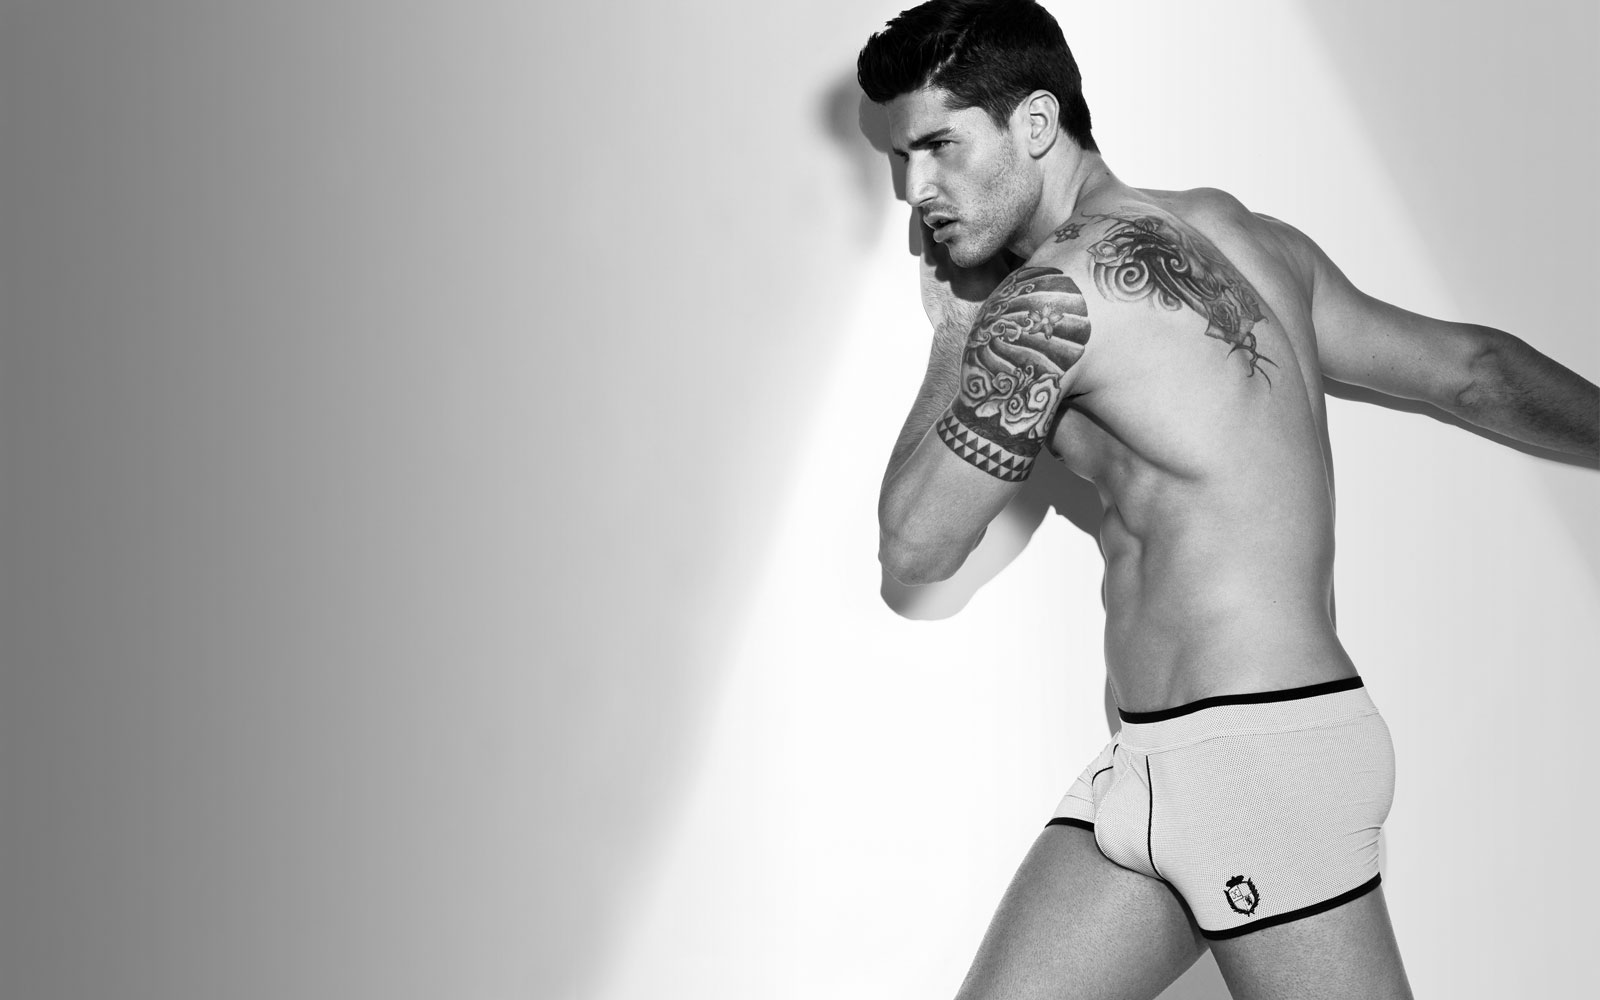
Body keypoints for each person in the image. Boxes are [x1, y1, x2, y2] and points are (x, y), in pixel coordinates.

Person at [856, 2, 1599, 998]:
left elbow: (915, 546)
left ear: (1035, 123)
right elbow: (1473, 372)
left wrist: (954, 331)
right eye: (899, 157)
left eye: (940, 146)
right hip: (1153, 763)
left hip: (1255, 762)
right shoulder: (1244, 236)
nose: (916, 191)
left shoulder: (1046, 301)